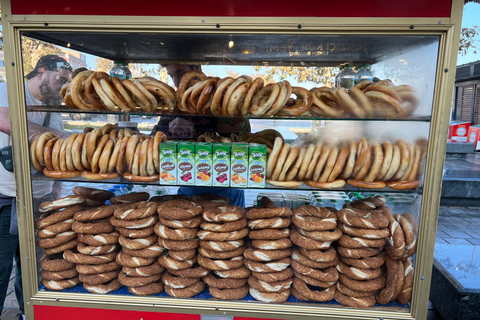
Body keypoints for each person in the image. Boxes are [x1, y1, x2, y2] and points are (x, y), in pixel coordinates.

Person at [0, 55, 72, 319]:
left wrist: (56, 190)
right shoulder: (8, 90)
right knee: (0, 268)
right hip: (5, 198)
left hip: (39, 200)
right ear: (41, 71)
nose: (62, 88)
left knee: (34, 269)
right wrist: (59, 137)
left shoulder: (53, 109)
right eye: (60, 80)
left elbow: (60, 157)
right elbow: (5, 120)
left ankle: (26, 314)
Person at [152, 64, 249, 207]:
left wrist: (194, 129)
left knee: (231, 226)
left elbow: (240, 144)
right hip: (189, 185)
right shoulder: (174, 104)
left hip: (227, 185)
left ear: (196, 68)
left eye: (180, 72)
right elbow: (154, 142)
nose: (176, 81)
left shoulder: (224, 96)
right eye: (171, 75)